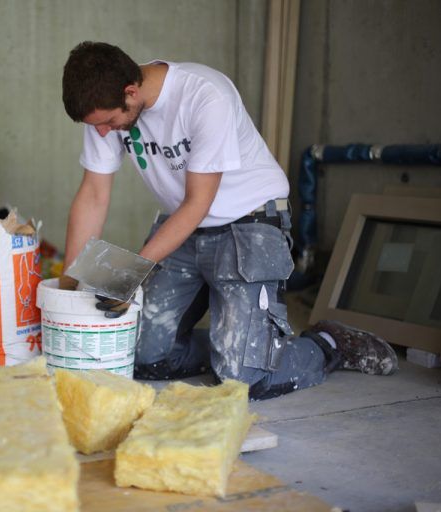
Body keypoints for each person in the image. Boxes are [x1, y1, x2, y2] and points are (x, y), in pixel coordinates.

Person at [59, 41, 398, 399]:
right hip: (182, 229)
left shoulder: (205, 95)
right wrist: (66, 287)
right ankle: (236, 344)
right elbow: (94, 195)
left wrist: (130, 273)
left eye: (110, 123)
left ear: (131, 92)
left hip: (248, 224)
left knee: (242, 381)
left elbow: (197, 203)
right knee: (142, 358)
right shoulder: (104, 111)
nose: (103, 132)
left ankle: (328, 342)